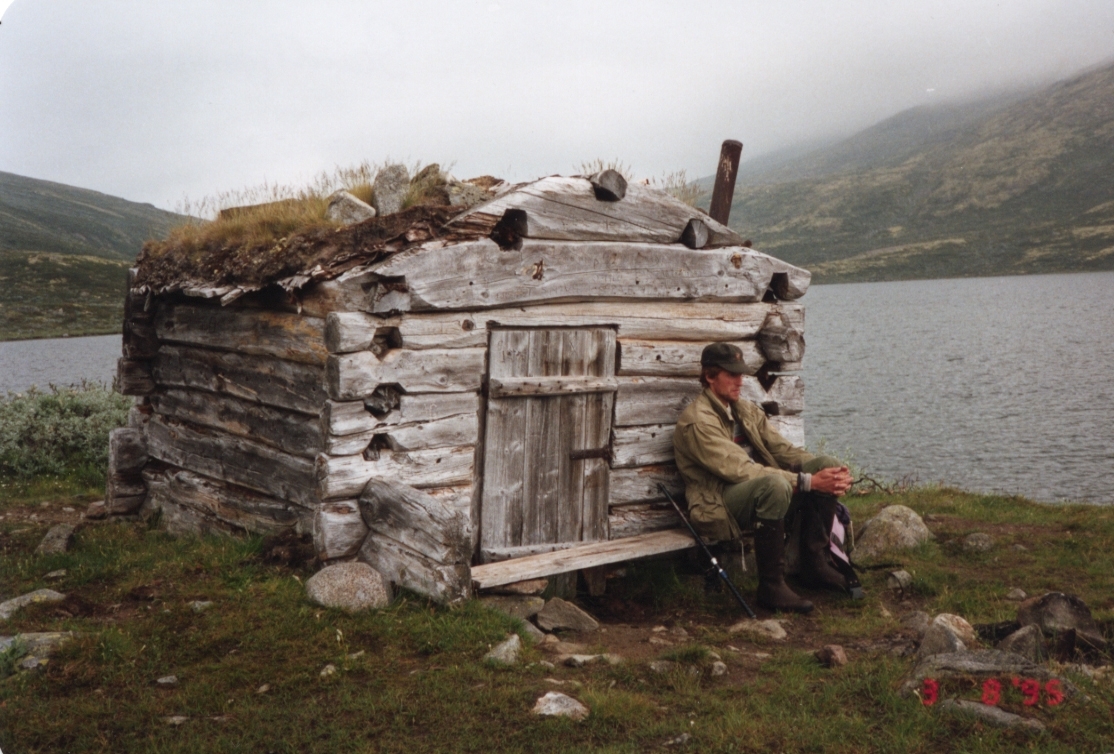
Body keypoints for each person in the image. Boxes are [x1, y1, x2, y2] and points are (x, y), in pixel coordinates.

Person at [672, 343, 854, 614]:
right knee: (776, 485)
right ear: (710, 377)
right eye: (731, 374)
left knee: (828, 464)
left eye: (741, 374)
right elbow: (740, 470)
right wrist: (809, 482)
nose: (740, 381)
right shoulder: (698, 422)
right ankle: (771, 586)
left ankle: (815, 564)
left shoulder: (742, 409)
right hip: (717, 503)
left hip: (754, 491)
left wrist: (832, 474)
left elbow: (783, 450)